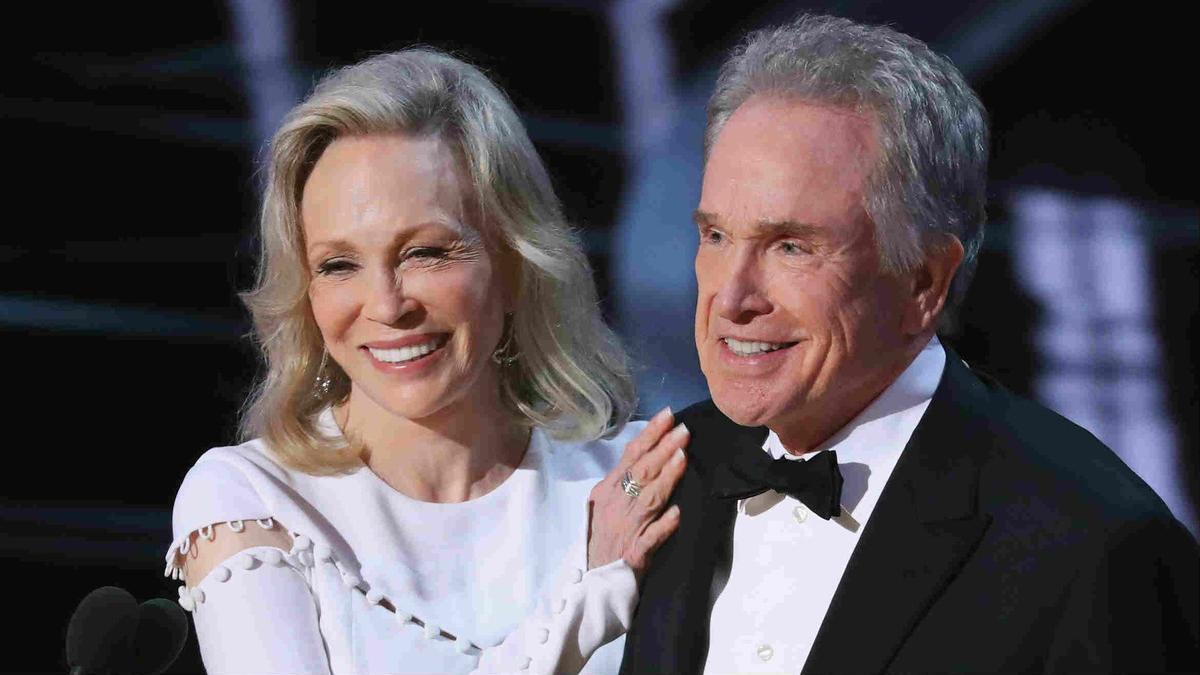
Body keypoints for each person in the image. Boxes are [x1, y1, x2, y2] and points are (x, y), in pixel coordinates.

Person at [621, 14, 1199, 675]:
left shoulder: (1094, 547)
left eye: (791, 246)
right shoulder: (659, 477)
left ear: (924, 282)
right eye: (716, 236)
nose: (731, 297)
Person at [164, 48, 690, 674]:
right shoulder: (251, 499)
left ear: (515, 261)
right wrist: (594, 598)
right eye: (339, 265)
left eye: (428, 253)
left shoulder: (635, 478)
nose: (387, 306)